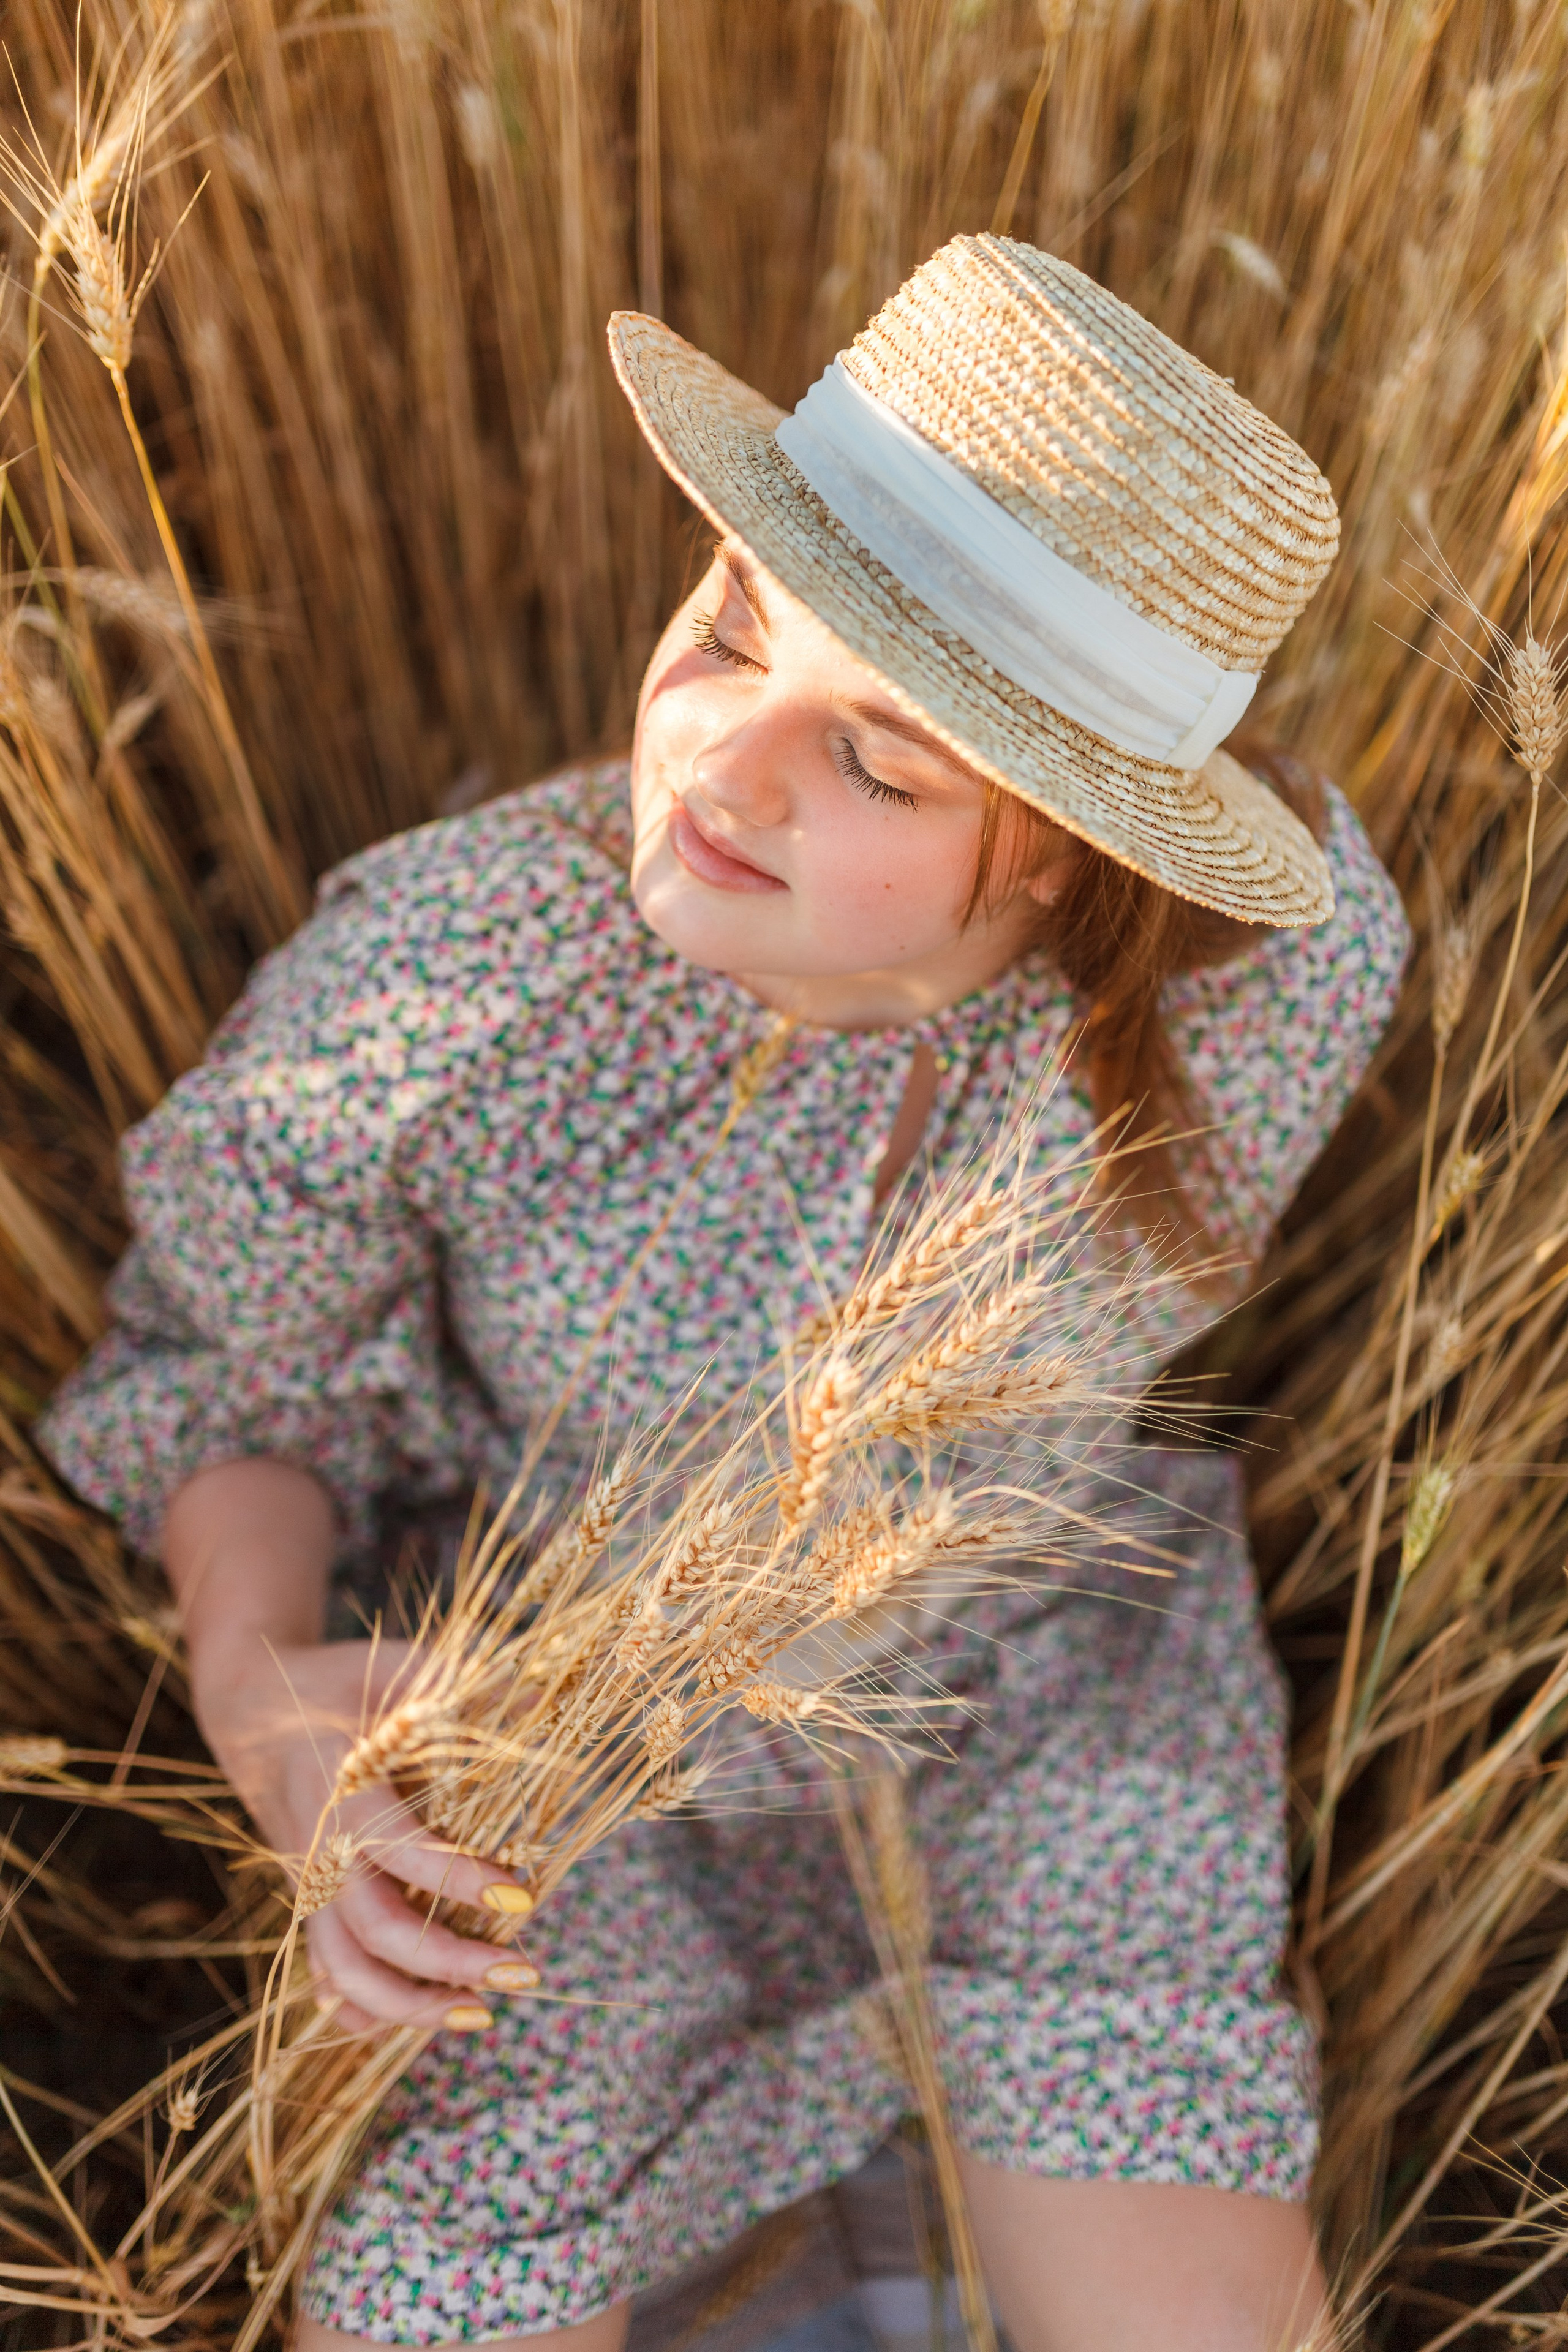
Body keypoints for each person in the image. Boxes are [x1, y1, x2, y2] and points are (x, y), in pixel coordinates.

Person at [39, 235, 1408, 2351]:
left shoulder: (1277, 980)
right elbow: (233, 1378)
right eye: (728, 633)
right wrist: (258, 1682)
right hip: (562, 1705)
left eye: (882, 757)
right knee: (459, 2270)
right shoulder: (454, 979)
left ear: (1067, 854)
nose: (727, 767)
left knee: (1196, 2301)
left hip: (1028, 1667)